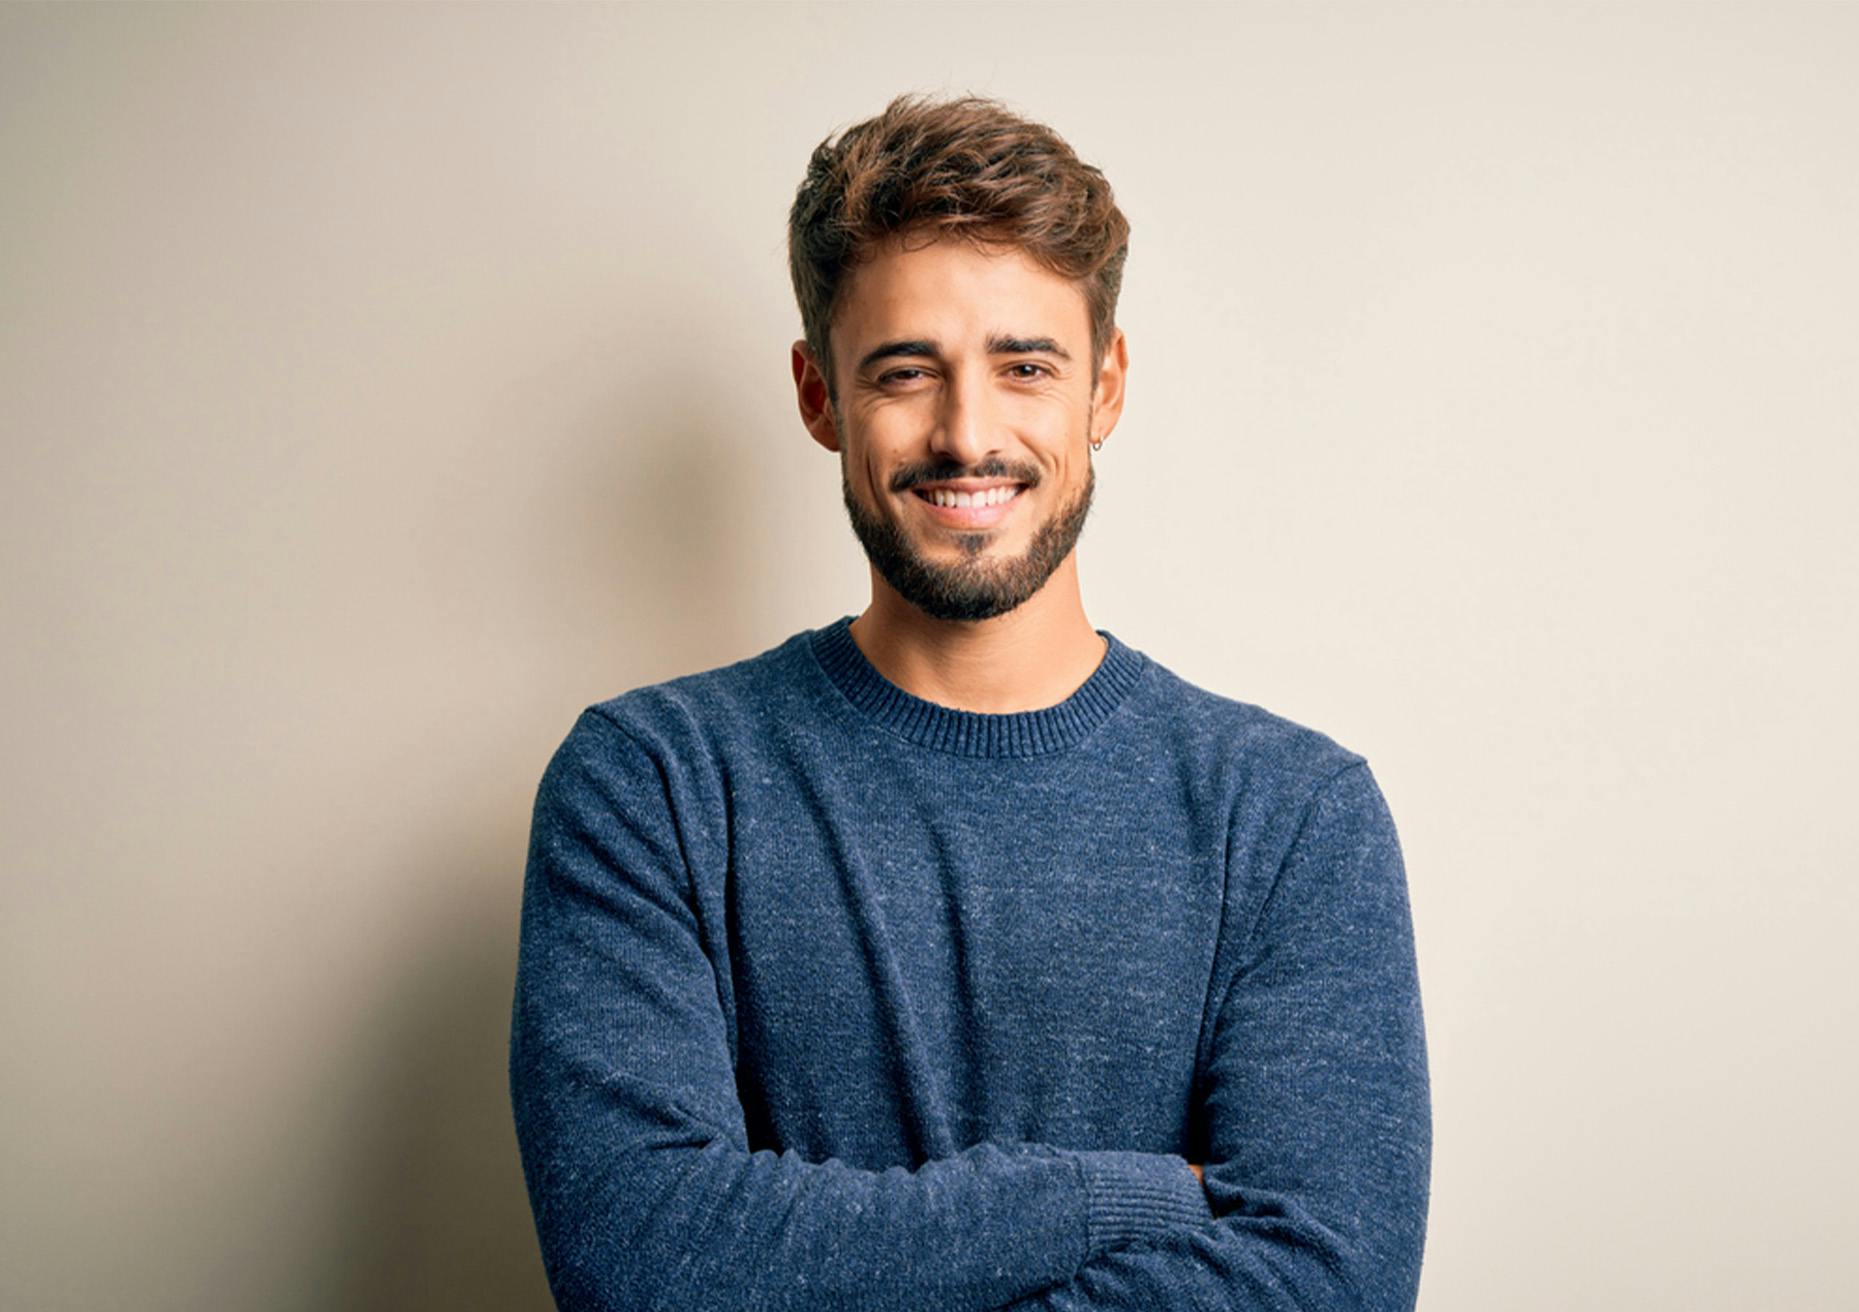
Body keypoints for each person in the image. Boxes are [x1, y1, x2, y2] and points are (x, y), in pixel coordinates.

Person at [508, 92, 1431, 1311]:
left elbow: (1326, 1283)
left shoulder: (1294, 816)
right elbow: (643, 1263)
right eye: (905, 371)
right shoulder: (651, 784)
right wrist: (1120, 1196)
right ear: (819, 393)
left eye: (1025, 366)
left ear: (1104, 387)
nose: (967, 434)